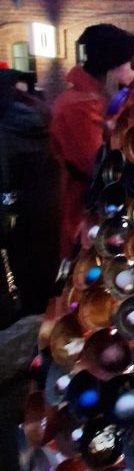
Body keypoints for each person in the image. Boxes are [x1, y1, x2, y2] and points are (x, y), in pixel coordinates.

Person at [50, 23, 134, 257]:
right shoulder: (79, 106)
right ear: (113, 68)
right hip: (88, 212)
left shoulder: (101, 99)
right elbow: (96, 165)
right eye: (132, 64)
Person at [0, 69, 59, 327]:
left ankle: (27, 318)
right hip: (49, 200)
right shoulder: (41, 115)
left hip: (19, 209)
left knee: (24, 270)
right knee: (47, 268)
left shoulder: (6, 125)